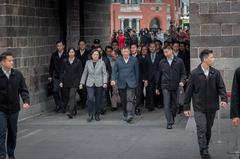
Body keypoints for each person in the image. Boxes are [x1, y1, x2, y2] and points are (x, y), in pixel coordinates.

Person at [184, 49, 228, 159]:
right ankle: (204, 150)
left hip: (212, 107)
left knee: (208, 129)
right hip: (199, 107)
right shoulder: (194, 74)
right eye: (211, 57)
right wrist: (186, 107)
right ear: (205, 59)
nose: (213, 59)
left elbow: (221, 87)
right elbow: (188, 91)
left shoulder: (215, 73)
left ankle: (205, 146)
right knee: (202, 128)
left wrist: (223, 99)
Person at [0, 52, 30, 159]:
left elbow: (23, 89)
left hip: (14, 109)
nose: (12, 62)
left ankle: (11, 154)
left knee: (12, 133)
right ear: (2, 62)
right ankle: (2, 155)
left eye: (12, 60)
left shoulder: (17, 74)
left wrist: (26, 101)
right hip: (1, 110)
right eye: (10, 60)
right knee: (1, 133)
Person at [155, 46, 186, 129]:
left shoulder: (179, 61)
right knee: (167, 104)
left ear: (171, 51)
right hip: (165, 86)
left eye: (166, 52)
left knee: (176, 104)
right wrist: (157, 87)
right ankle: (169, 122)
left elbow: (183, 73)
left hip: (176, 86)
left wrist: (182, 81)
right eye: (164, 52)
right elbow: (159, 75)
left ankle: (172, 116)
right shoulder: (162, 62)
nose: (165, 54)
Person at [111, 47, 139, 123]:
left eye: (127, 51)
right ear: (122, 53)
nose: (125, 53)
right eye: (124, 52)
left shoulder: (134, 60)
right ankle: (125, 113)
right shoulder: (118, 60)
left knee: (130, 98)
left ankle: (130, 113)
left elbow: (137, 72)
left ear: (129, 52)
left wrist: (136, 82)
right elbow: (114, 71)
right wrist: (113, 79)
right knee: (123, 100)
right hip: (121, 82)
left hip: (131, 82)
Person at [80, 50, 108, 122]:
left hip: (99, 83)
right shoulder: (87, 62)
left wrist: (105, 82)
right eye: (94, 54)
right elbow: (85, 73)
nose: (96, 56)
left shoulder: (102, 63)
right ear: (91, 55)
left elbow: (105, 73)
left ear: (99, 55)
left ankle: (97, 114)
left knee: (98, 100)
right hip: (90, 83)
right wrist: (81, 83)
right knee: (90, 98)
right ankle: (90, 114)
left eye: (97, 54)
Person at [60, 47, 83, 119]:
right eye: (70, 52)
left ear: (75, 53)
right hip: (66, 81)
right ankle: (74, 108)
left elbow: (80, 73)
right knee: (68, 97)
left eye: (72, 52)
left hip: (75, 82)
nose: (71, 53)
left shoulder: (78, 61)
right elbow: (61, 72)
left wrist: (80, 83)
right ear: (68, 53)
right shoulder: (65, 61)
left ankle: (70, 112)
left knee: (72, 96)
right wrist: (61, 81)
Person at [48, 40, 67, 112]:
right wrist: (50, 75)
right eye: (58, 46)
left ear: (63, 46)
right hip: (56, 76)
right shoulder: (54, 55)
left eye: (60, 46)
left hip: (64, 76)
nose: (59, 47)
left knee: (63, 91)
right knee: (55, 90)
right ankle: (58, 104)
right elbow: (51, 66)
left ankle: (63, 106)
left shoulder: (67, 54)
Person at [145, 42, 163, 111]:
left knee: (158, 90)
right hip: (149, 77)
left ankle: (159, 103)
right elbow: (145, 68)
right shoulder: (147, 56)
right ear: (149, 48)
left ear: (156, 47)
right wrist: (145, 78)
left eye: (153, 47)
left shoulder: (160, 56)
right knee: (150, 91)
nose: (152, 48)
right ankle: (151, 105)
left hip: (158, 76)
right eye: (151, 47)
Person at [76, 40, 90, 109]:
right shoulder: (76, 53)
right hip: (77, 73)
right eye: (80, 44)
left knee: (84, 89)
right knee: (79, 88)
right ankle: (82, 99)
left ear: (85, 45)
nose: (82, 46)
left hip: (86, 73)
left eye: (83, 44)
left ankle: (83, 102)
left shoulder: (88, 53)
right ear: (78, 45)